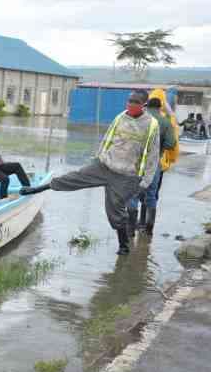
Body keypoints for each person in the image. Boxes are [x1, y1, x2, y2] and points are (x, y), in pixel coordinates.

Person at [21, 90, 160, 255]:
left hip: (126, 175)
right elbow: (107, 139)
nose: (130, 105)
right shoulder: (121, 117)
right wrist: (97, 158)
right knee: (74, 177)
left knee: (115, 210)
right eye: (129, 101)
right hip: (104, 166)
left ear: (143, 105)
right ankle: (38, 189)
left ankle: (124, 245)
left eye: (135, 102)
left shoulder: (151, 125)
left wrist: (146, 182)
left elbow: (153, 155)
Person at [126, 96, 175, 236]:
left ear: (146, 106)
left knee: (133, 194)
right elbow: (171, 144)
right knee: (151, 195)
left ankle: (130, 231)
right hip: (154, 164)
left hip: (135, 162)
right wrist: (158, 148)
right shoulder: (165, 122)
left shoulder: (137, 119)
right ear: (160, 108)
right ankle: (148, 230)